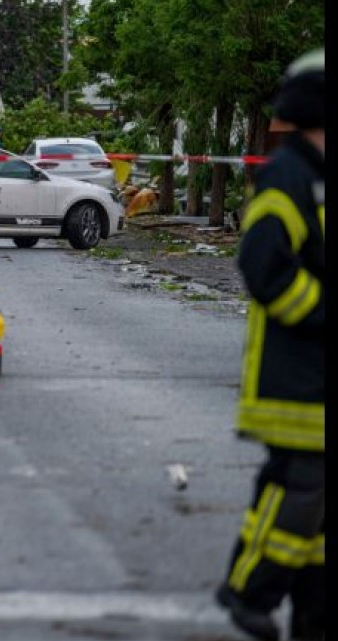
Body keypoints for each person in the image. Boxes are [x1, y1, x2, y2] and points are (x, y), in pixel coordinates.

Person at [214, 48, 324, 641]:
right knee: (298, 497)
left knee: (314, 508)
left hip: (314, 378)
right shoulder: (291, 178)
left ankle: (313, 611)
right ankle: (249, 591)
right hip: (297, 380)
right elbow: (264, 266)